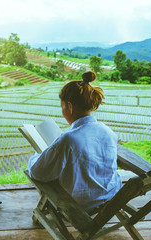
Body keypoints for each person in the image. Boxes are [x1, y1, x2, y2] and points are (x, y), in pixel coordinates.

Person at [27, 70, 122, 212]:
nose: (62, 111)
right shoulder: (107, 131)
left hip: (83, 203)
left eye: (62, 106)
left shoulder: (68, 139)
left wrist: (37, 156)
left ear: (69, 107)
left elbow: (38, 173)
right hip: (111, 193)